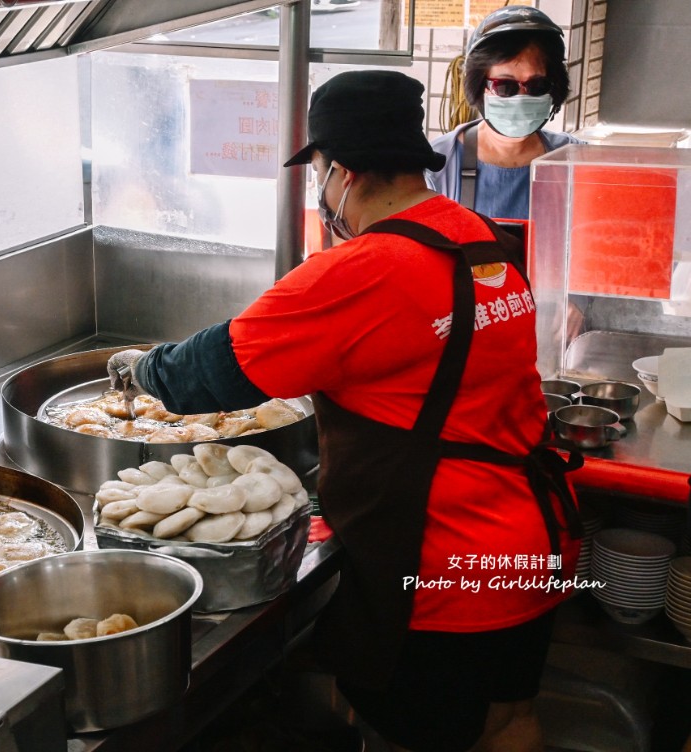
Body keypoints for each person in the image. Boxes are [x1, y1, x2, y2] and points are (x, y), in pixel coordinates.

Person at [107, 70, 581, 752]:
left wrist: (135, 367)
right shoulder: (474, 236)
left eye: (320, 173)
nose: (321, 190)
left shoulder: (365, 269)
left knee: (422, 737)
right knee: (507, 722)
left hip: (445, 566)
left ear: (343, 173)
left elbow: (206, 375)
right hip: (532, 539)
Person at [426, 6, 581, 220]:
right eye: (505, 86)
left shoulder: (574, 159)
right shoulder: (438, 164)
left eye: (537, 85)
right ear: (478, 86)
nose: (521, 97)